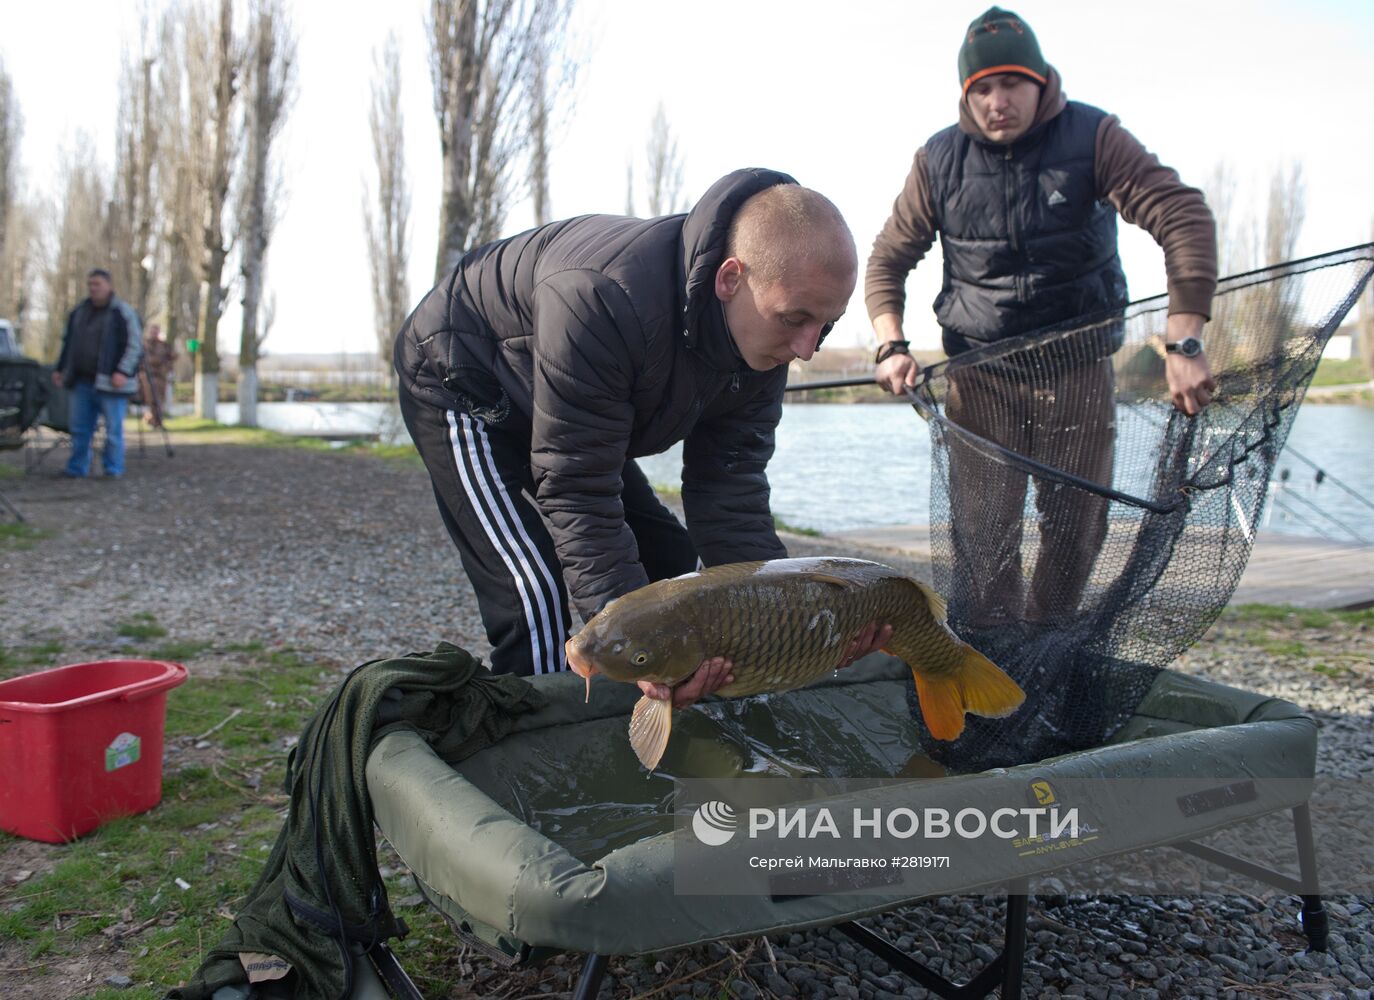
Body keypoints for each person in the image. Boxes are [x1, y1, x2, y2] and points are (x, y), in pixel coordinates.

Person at [395, 168, 890, 707]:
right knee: (532, 597)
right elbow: (578, 488)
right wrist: (639, 651)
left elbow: (731, 498)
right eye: (796, 319)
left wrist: (803, 628)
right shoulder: (603, 296)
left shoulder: (767, 338)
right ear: (730, 279)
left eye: (827, 324)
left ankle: (664, 733)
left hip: (573, 413)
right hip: (465, 383)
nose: (807, 349)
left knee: (672, 567)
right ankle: (550, 765)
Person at [866, 7, 1219, 628]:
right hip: (980, 376)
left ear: (1041, 81)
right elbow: (887, 259)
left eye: (1011, 84)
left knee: (1077, 532)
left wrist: (1184, 339)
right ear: (966, 95)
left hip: (1076, 371)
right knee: (984, 539)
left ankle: (1049, 647)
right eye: (982, 89)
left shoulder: (1094, 137)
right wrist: (891, 343)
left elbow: (1181, 214)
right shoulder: (938, 160)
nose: (998, 101)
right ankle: (993, 659)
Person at [52, 269, 143, 478]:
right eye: (90, 284)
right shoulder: (79, 312)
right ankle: (77, 467)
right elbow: (69, 344)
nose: (93, 288)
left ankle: (112, 468)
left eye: (98, 284)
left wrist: (122, 371)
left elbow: (134, 346)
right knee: (80, 429)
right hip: (82, 381)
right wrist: (60, 368)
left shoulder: (122, 312)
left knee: (113, 431)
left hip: (112, 382)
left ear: (109, 286)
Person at [139, 322, 177, 427]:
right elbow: (142, 359)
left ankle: (158, 420)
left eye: (156, 331)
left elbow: (173, 356)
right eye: (152, 331)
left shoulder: (164, 345)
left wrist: (167, 366)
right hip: (147, 376)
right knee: (150, 399)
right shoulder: (144, 344)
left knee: (160, 399)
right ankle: (150, 419)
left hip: (161, 376)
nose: (154, 333)